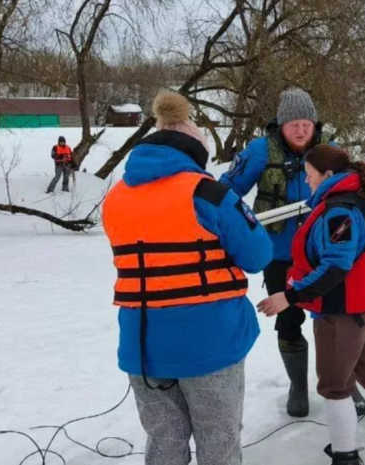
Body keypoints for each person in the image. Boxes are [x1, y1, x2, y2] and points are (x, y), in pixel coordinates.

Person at [102, 90, 273, 465]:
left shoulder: (115, 198)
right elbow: (258, 255)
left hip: (142, 345)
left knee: (164, 441)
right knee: (219, 441)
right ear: (194, 151)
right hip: (209, 343)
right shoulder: (209, 193)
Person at [258, 145, 365, 465]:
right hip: (361, 308)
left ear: (328, 175)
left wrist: (289, 296)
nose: (306, 182)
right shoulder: (357, 199)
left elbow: (336, 267)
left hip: (342, 312)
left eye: (309, 176)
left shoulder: (341, 211)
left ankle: (345, 456)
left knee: (335, 385)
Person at [220, 87, 365, 418]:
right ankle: (298, 386)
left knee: (334, 321)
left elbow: (355, 190)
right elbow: (225, 191)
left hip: (325, 252)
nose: (301, 131)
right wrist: (240, 225)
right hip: (278, 254)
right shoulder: (260, 151)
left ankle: (345, 383)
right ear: (281, 125)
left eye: (307, 124)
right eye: (294, 125)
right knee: (288, 319)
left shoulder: (331, 153)